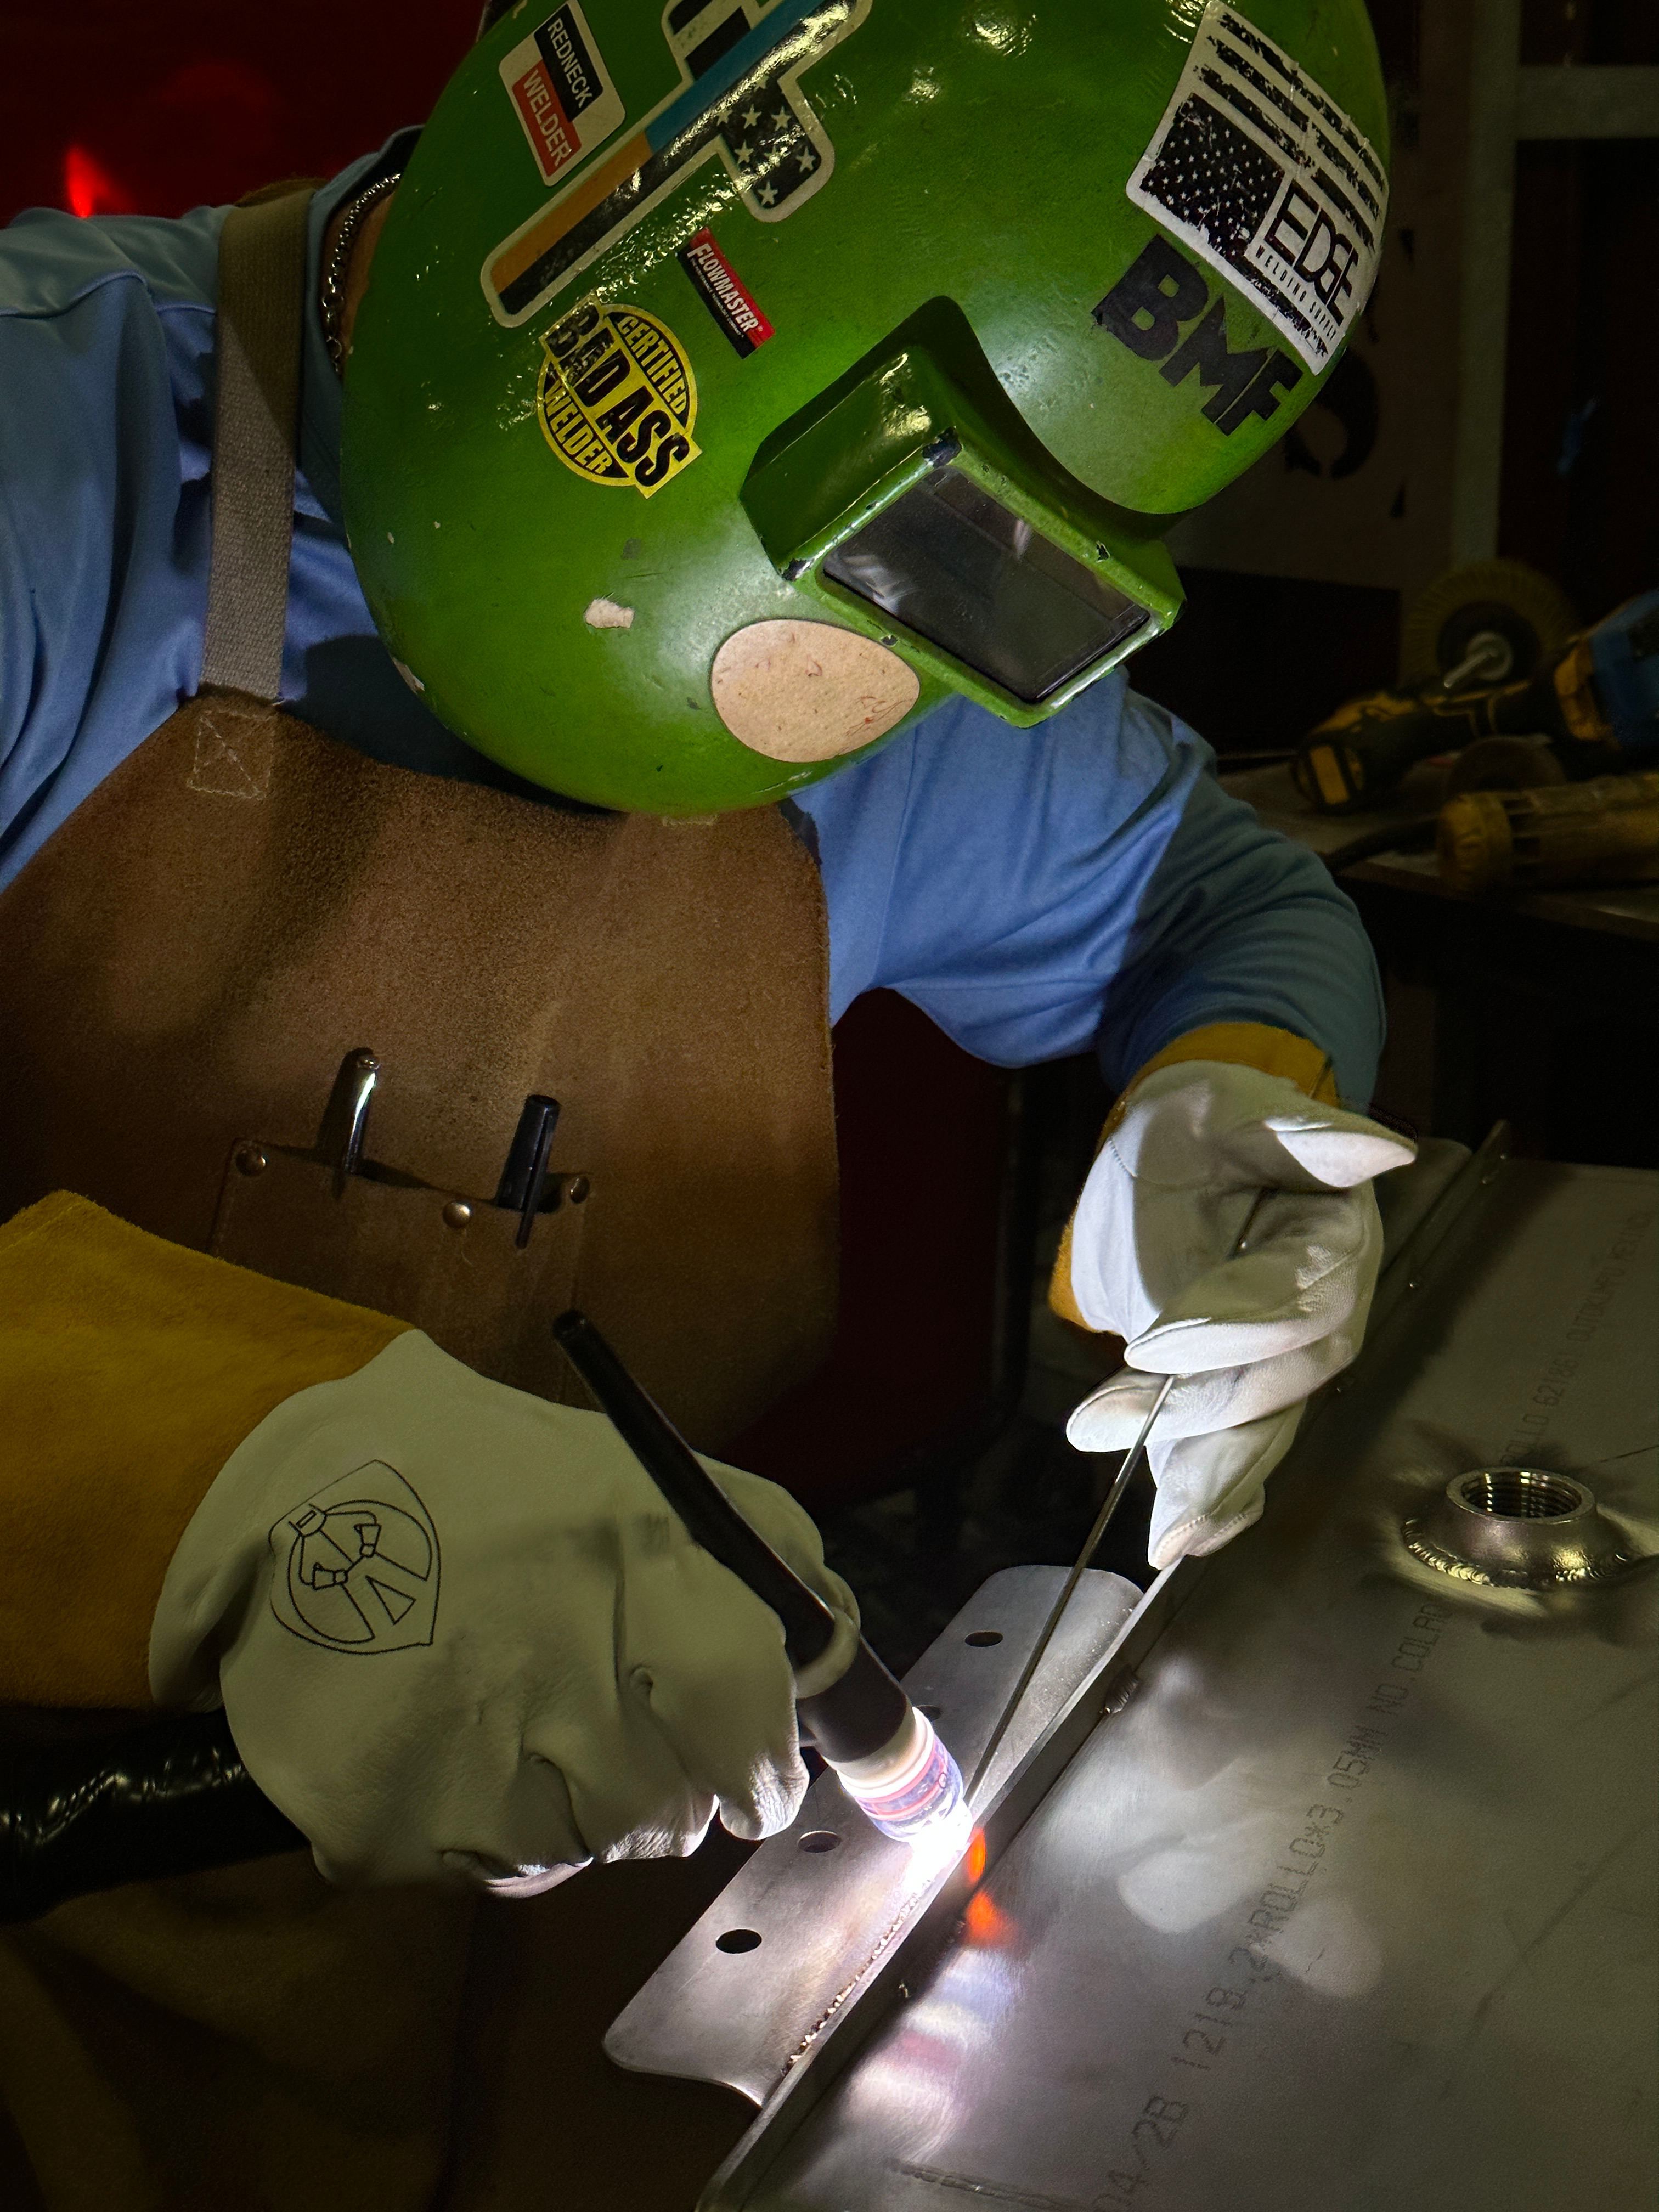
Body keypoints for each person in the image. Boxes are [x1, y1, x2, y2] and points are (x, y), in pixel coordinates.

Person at [0, 1, 1413, 2202]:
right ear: (596, 183)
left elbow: (1215, 901)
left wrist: (1228, 1095)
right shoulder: (41, 455)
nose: (839, 695)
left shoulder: (913, 658)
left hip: (579, 1997)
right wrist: (225, 1483)